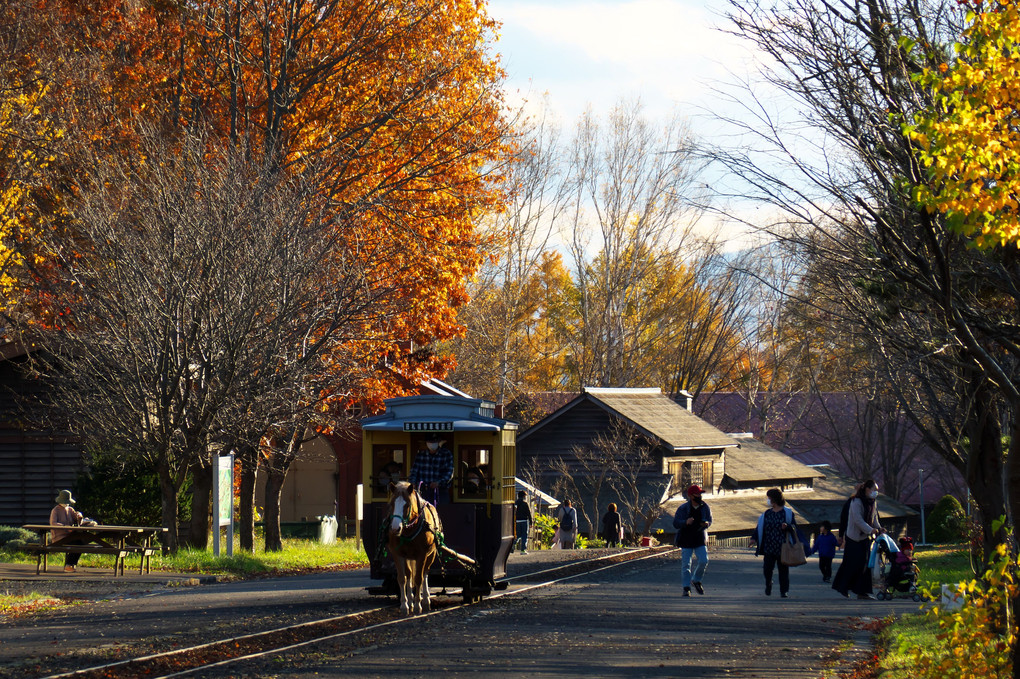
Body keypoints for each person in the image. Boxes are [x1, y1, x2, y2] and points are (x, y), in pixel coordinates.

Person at [832, 479, 884, 600]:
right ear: (867, 489)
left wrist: (879, 528)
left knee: (865, 564)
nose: (876, 492)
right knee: (851, 564)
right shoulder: (856, 501)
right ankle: (842, 587)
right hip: (854, 537)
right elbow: (857, 520)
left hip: (865, 537)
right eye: (874, 490)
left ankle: (862, 592)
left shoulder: (872, 502)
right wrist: (870, 530)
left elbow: (874, 518)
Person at [751, 488, 797, 598]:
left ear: (774, 499)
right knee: (767, 569)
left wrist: (788, 527)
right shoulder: (766, 514)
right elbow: (760, 528)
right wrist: (754, 539)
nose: (768, 500)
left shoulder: (787, 513)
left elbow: (795, 527)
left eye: (769, 498)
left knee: (783, 570)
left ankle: (784, 590)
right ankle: (768, 583)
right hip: (769, 546)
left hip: (783, 546)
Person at [672, 484, 712, 596]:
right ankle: (686, 588)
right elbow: (675, 523)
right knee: (686, 565)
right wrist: (685, 522)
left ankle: (696, 579)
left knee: (704, 560)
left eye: (700, 494)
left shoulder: (705, 507)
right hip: (686, 539)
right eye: (697, 494)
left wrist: (706, 524)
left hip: (700, 538)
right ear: (690, 496)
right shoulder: (683, 508)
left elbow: (710, 520)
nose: (699, 496)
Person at [408, 433, 454, 505]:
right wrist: (412, 483)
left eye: (434, 442)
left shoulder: (446, 454)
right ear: (426, 443)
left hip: (441, 492)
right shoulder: (420, 455)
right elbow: (414, 471)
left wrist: (438, 482)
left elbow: (449, 473)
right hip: (423, 491)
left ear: (438, 442)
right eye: (430, 442)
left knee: (442, 513)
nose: (432, 444)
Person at [50, 489, 86, 573]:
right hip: (60, 537)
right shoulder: (55, 510)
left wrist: (79, 517)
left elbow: (77, 521)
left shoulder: (70, 509)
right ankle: (68, 565)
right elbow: (53, 523)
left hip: (70, 536)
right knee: (77, 544)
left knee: (81, 543)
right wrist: (65, 527)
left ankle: (71, 564)